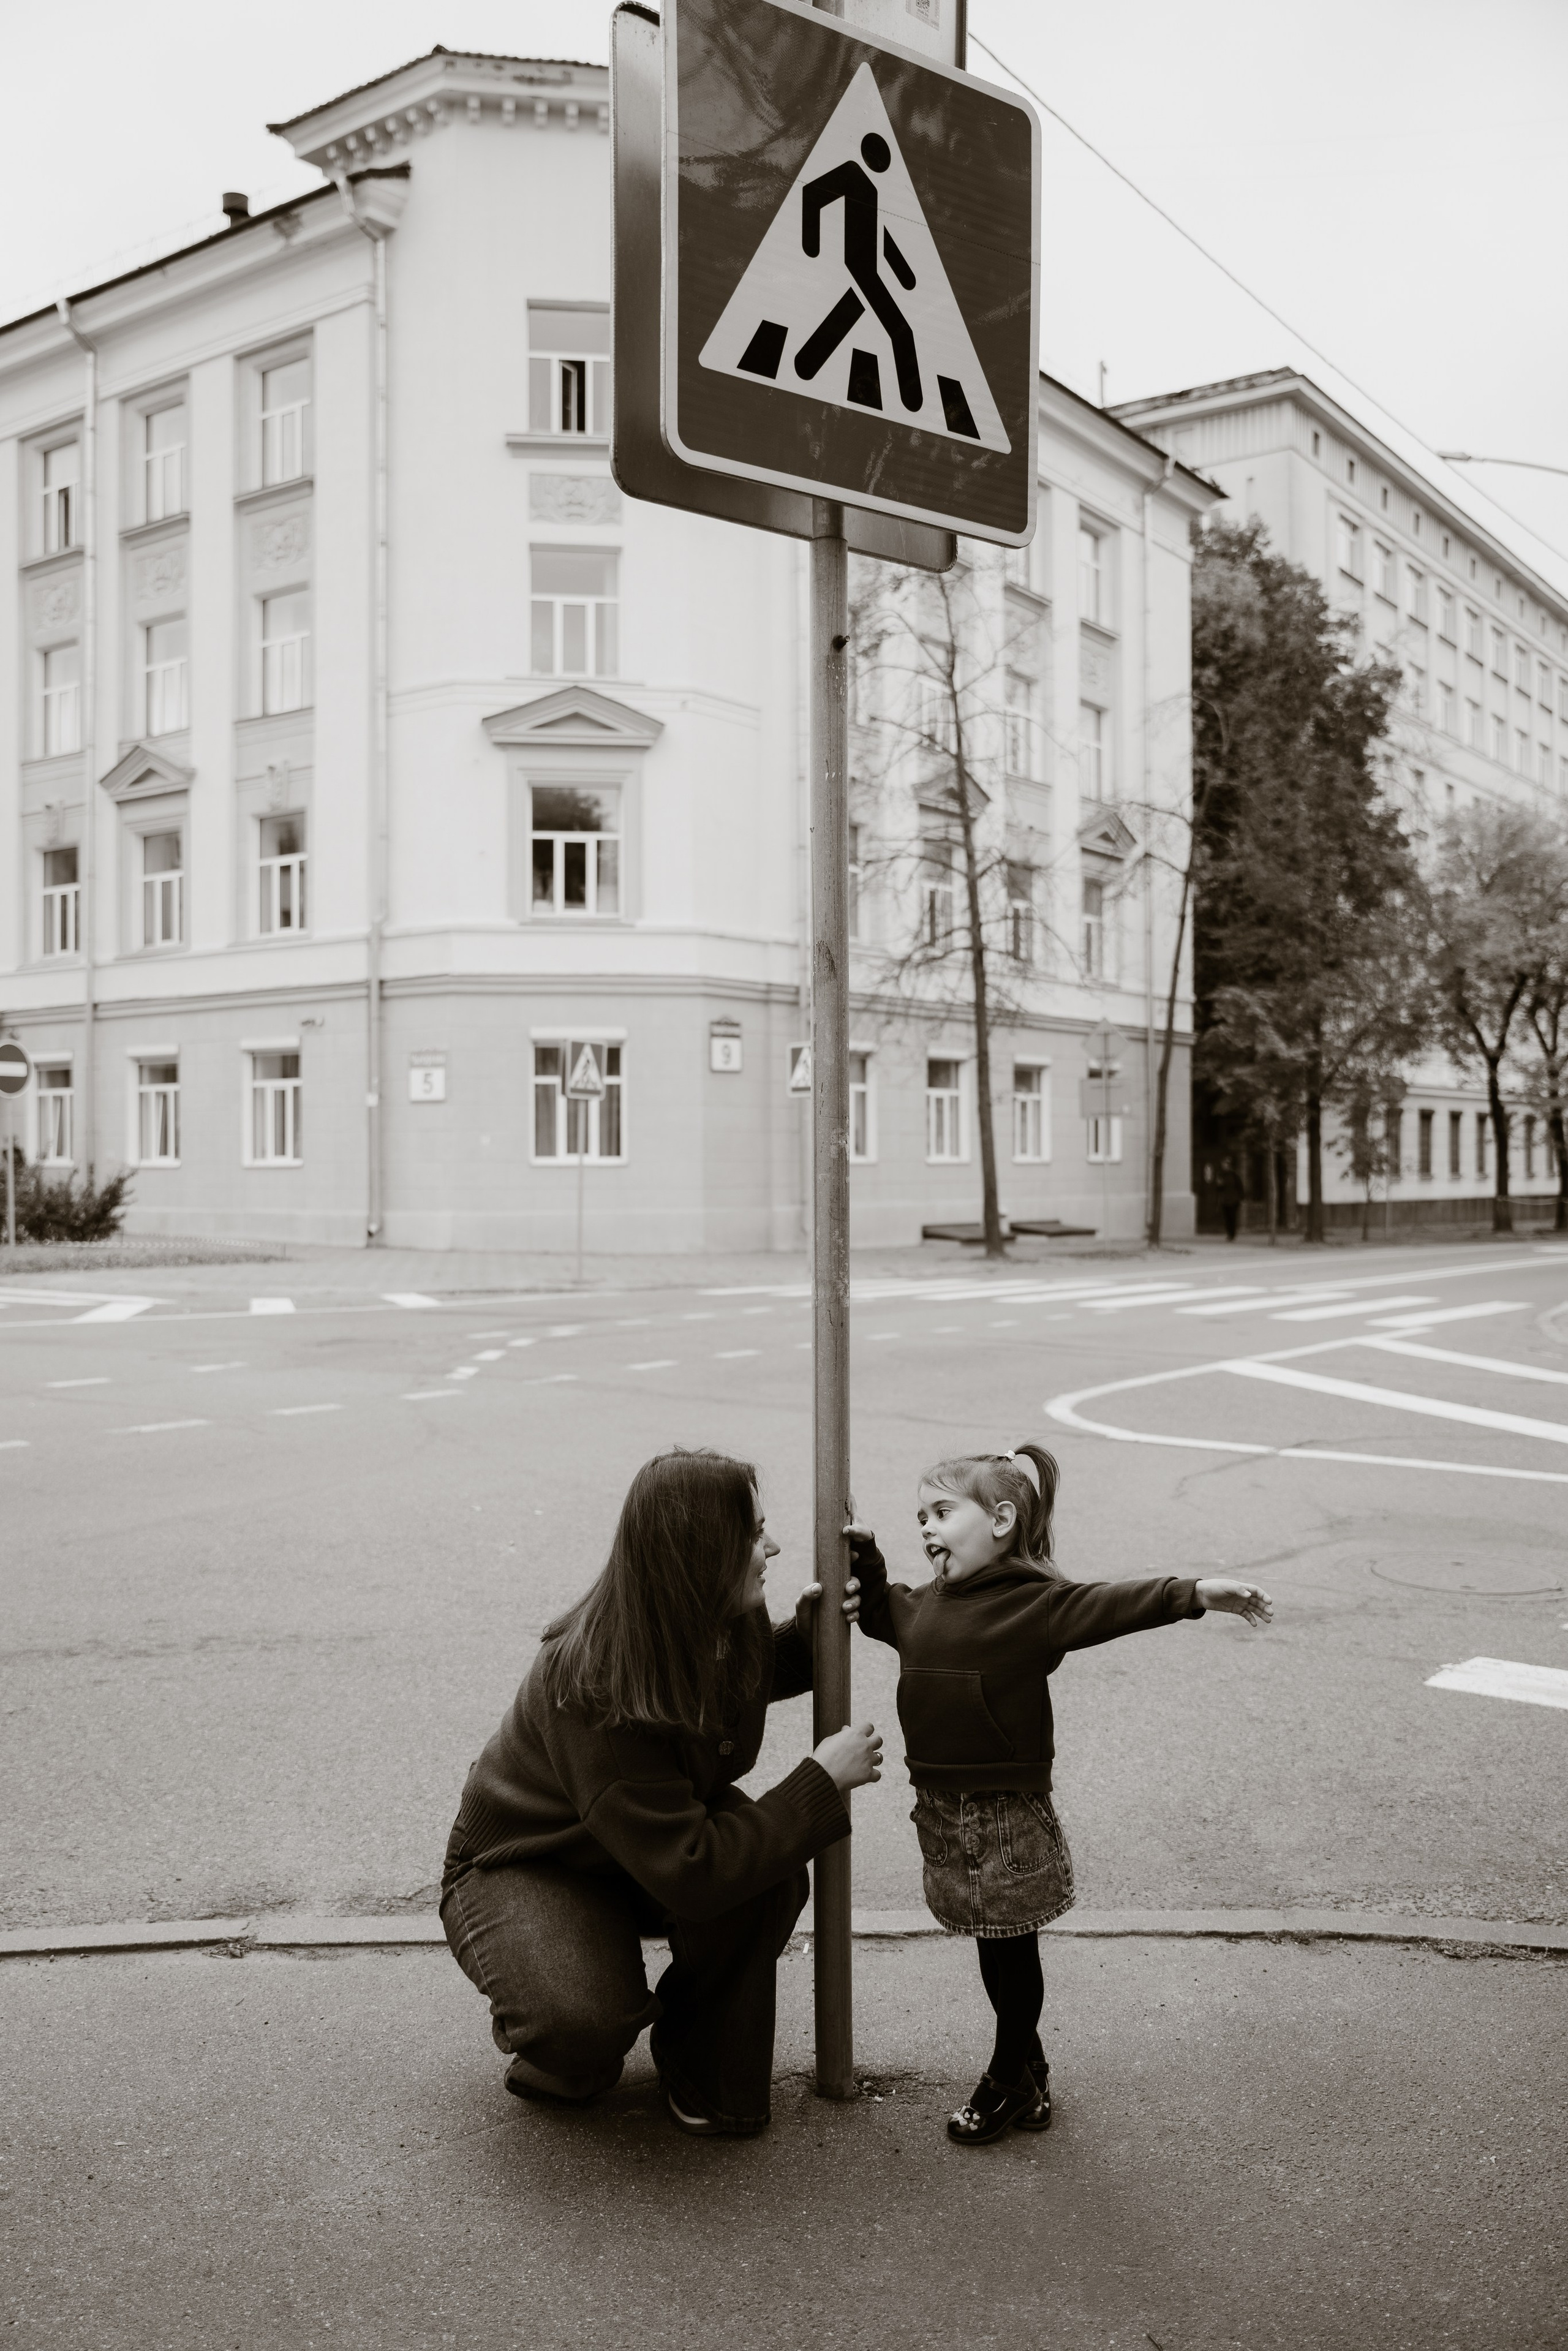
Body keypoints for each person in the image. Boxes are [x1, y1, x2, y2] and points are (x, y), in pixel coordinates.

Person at [440, 1449, 880, 2138]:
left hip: (633, 1846)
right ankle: (563, 2050)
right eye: (753, 1533)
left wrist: (815, 1634)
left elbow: (725, 1687)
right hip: (531, 1861)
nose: (773, 1545)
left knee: (763, 1876)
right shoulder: (593, 1681)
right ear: (700, 1553)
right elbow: (692, 1868)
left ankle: (697, 2068)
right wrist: (819, 1783)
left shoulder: (701, 1618)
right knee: (585, 2024)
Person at [848, 1443, 1272, 2147]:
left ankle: (1007, 2077)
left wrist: (1195, 1592)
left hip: (1006, 1818)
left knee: (1013, 1952)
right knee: (992, 1945)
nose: (926, 1527)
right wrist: (863, 1558)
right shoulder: (922, 1606)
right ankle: (1030, 2068)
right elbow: (876, 1618)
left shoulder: (1036, 1606)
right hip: (945, 1813)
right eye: (919, 1515)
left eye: (943, 1512)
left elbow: (1114, 1604)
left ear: (1002, 1520)